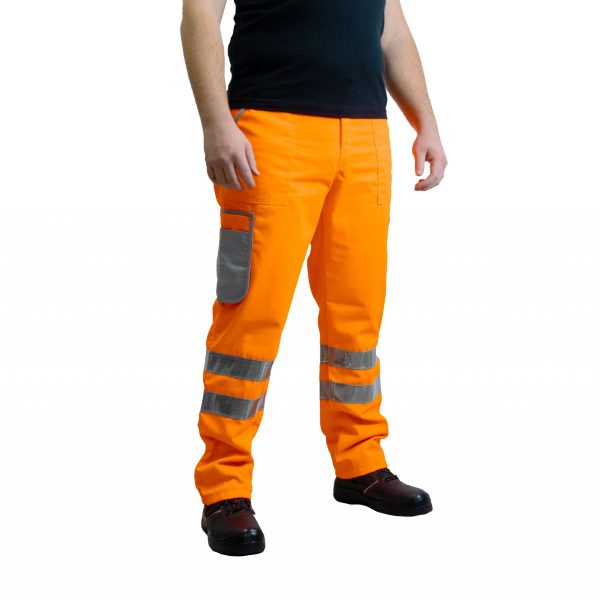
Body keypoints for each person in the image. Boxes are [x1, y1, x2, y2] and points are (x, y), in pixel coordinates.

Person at [181, 0, 448, 556]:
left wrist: (426, 121)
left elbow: (392, 29)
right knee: (251, 316)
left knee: (358, 314)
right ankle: (225, 487)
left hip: (365, 135)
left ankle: (360, 462)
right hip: (271, 129)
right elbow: (199, 14)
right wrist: (216, 123)